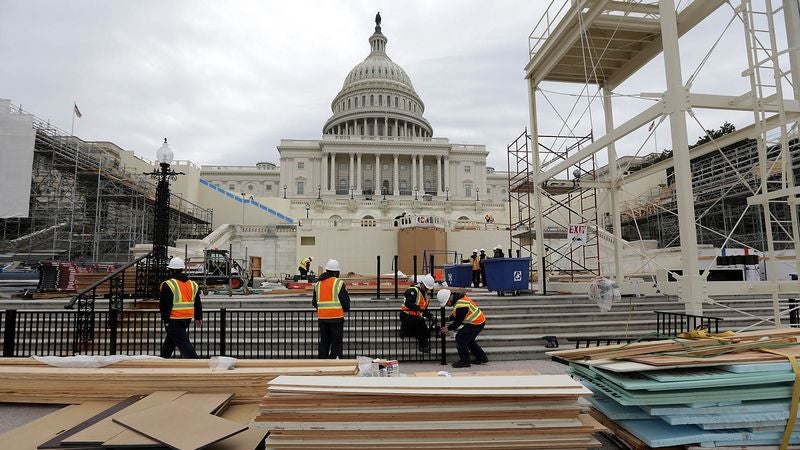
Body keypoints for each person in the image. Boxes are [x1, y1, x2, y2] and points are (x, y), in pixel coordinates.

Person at [159, 257, 203, 359]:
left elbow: (164, 305)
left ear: (170, 270)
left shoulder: (168, 284)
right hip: (187, 318)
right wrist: (198, 317)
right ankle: (163, 359)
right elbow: (197, 303)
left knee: (183, 344)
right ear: (183, 269)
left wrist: (165, 320)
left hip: (173, 319)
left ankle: (196, 363)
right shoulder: (193, 284)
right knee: (170, 342)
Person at [438, 289, 488, 368]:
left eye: (447, 303)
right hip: (478, 321)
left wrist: (447, 328)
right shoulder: (458, 300)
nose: (447, 305)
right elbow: (456, 315)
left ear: (449, 298)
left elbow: (458, 322)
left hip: (476, 322)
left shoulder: (461, 304)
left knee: (460, 337)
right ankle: (482, 358)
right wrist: (447, 319)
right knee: (469, 341)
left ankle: (465, 361)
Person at [312, 259, 350, 359]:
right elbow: (345, 302)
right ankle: (335, 362)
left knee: (324, 342)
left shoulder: (318, 284)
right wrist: (344, 309)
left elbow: (314, 302)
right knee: (336, 343)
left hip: (323, 319)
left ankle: (322, 363)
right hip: (336, 318)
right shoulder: (338, 283)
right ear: (336, 272)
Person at [399, 273, 437, 353]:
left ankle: (406, 331)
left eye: (428, 288)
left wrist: (431, 316)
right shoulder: (413, 290)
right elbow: (408, 304)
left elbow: (424, 309)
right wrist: (419, 308)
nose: (427, 289)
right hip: (406, 315)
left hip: (416, 317)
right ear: (422, 283)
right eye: (426, 287)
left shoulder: (425, 295)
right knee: (421, 322)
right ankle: (423, 346)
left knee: (426, 333)